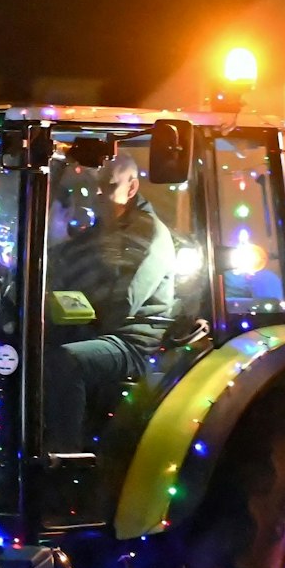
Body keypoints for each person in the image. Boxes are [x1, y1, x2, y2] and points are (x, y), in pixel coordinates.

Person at [45, 153, 176, 451]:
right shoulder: (96, 231)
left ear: (131, 188)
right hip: (93, 331)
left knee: (66, 362)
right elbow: (58, 270)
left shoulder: (149, 234)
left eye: (108, 184)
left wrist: (64, 306)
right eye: (95, 185)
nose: (98, 193)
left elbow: (121, 306)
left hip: (129, 341)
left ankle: (64, 456)